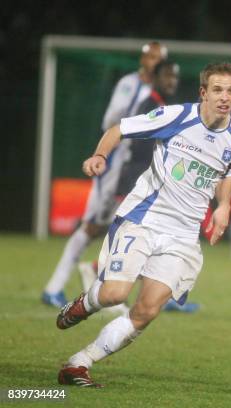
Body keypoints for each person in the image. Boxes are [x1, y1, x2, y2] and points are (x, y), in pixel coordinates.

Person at [55, 62, 231, 388]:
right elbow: (119, 129)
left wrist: (223, 206)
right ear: (203, 92)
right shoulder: (177, 117)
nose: (225, 97)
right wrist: (100, 155)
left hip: (183, 237)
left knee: (147, 311)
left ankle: (78, 364)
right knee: (115, 294)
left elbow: (227, 170)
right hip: (144, 219)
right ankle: (85, 303)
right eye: (217, 90)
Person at [42, 42, 168, 308]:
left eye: (159, 57)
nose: (154, 61)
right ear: (143, 58)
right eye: (151, 55)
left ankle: (154, 293)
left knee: (137, 226)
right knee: (93, 225)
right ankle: (55, 286)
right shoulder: (130, 84)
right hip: (115, 164)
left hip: (135, 165)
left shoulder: (158, 92)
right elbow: (111, 119)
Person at [78, 60, 199, 313]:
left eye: (175, 77)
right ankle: (95, 272)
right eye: (168, 76)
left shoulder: (168, 106)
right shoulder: (151, 105)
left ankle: (162, 296)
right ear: (155, 78)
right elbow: (132, 140)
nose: (172, 82)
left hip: (147, 181)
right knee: (131, 239)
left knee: (152, 243)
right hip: (138, 180)